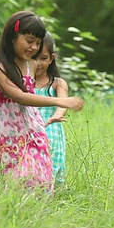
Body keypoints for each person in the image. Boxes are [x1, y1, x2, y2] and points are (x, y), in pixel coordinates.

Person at [0, 11, 84, 192]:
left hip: (29, 127)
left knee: (39, 170)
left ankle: (34, 210)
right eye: (29, 41)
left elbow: (44, 81)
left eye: (38, 43)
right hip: (2, 130)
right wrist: (62, 102)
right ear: (12, 37)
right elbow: (20, 96)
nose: (34, 47)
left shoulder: (31, 64)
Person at [33, 32, 74, 185]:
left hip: (51, 131)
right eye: (34, 58)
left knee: (51, 168)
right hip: (29, 130)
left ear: (51, 59)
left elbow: (62, 102)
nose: (38, 63)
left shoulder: (57, 83)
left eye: (43, 58)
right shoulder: (23, 84)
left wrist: (56, 116)